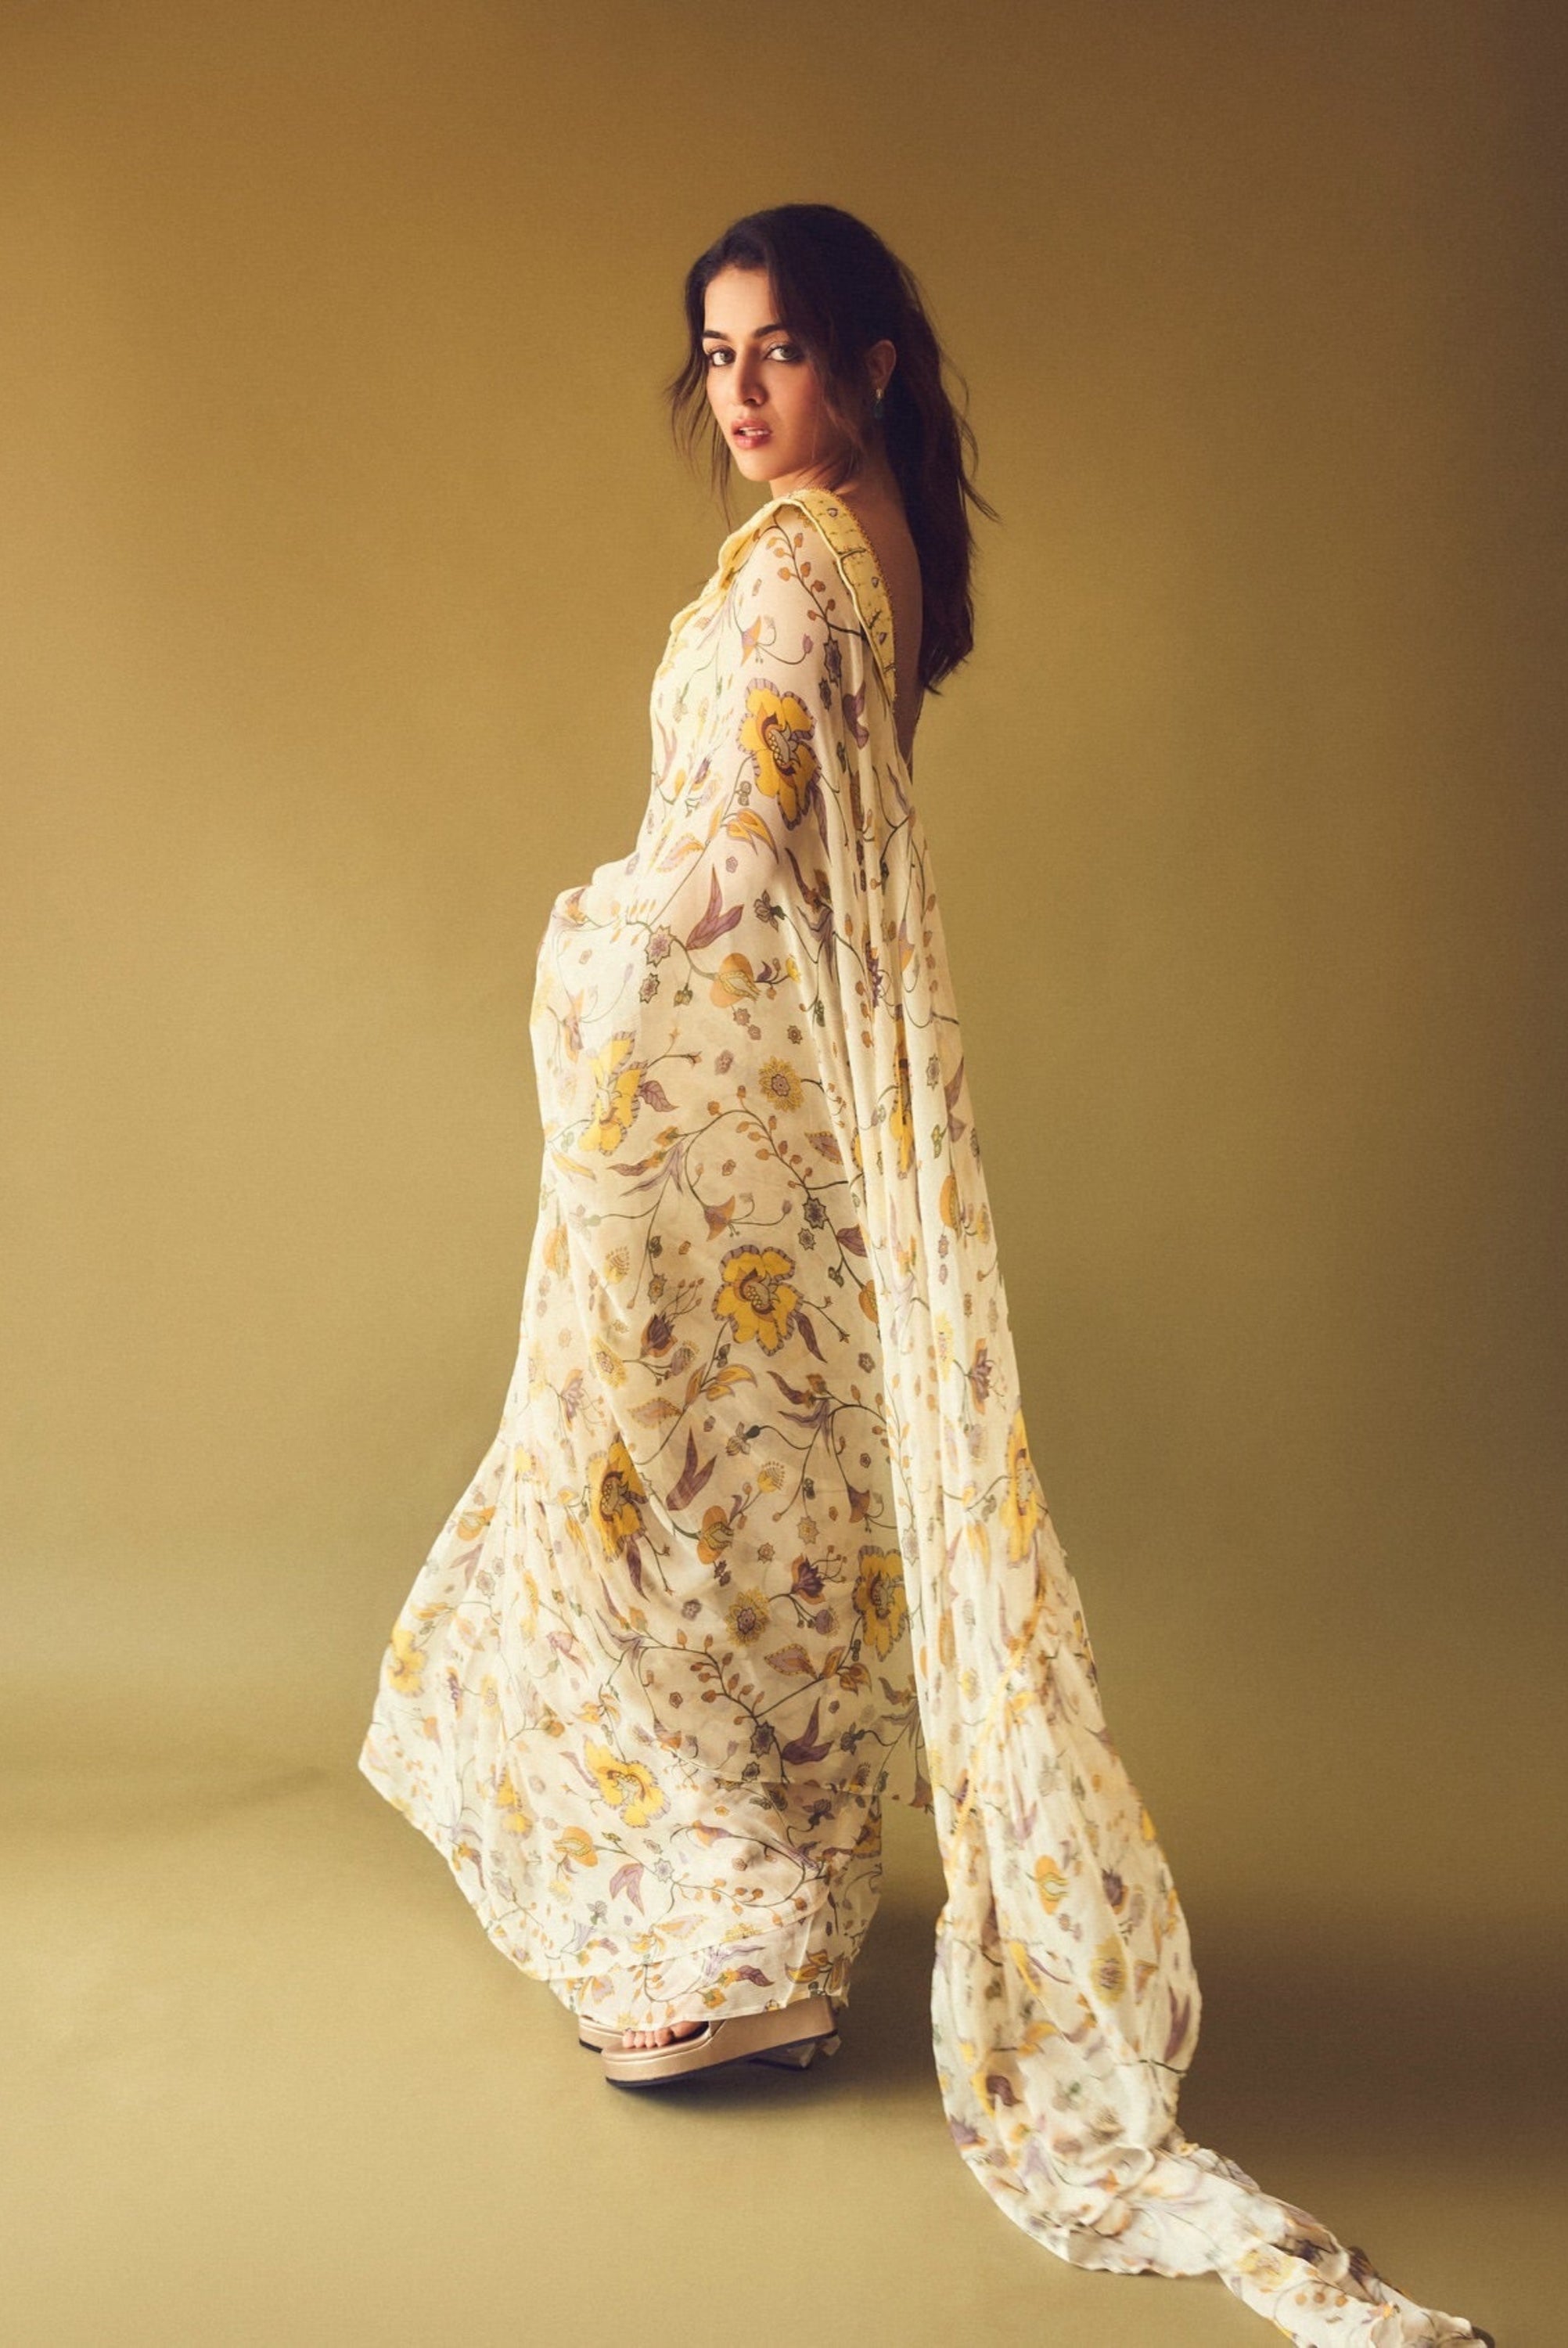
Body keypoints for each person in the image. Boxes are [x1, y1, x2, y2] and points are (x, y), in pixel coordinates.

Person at [359, 204, 1491, 2348]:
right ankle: (761, 1939)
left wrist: (605, 918)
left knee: (680, 1499)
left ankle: (735, 1944)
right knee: (750, 1500)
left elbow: (742, 843)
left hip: (709, 1136)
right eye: (717, 356)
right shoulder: (875, 542)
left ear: (870, 363)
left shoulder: (799, 568)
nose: (741, 392)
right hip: (766, 1116)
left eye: (780, 351)